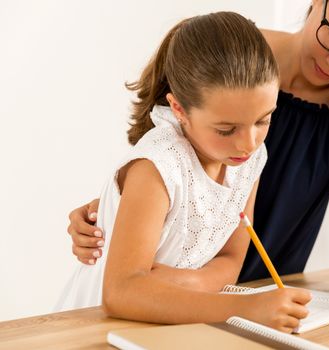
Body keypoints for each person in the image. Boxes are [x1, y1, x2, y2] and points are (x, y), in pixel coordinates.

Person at [67, 0, 329, 318]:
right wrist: (112, 209)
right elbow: (166, 164)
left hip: (264, 303)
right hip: (167, 301)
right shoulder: (225, 59)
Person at [56, 12, 312, 333]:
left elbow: (231, 260)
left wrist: (184, 281)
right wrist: (243, 308)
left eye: (263, 120)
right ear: (179, 109)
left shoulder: (251, 158)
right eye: (226, 128)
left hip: (173, 323)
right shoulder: (158, 164)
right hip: (97, 328)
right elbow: (120, 293)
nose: (248, 143)